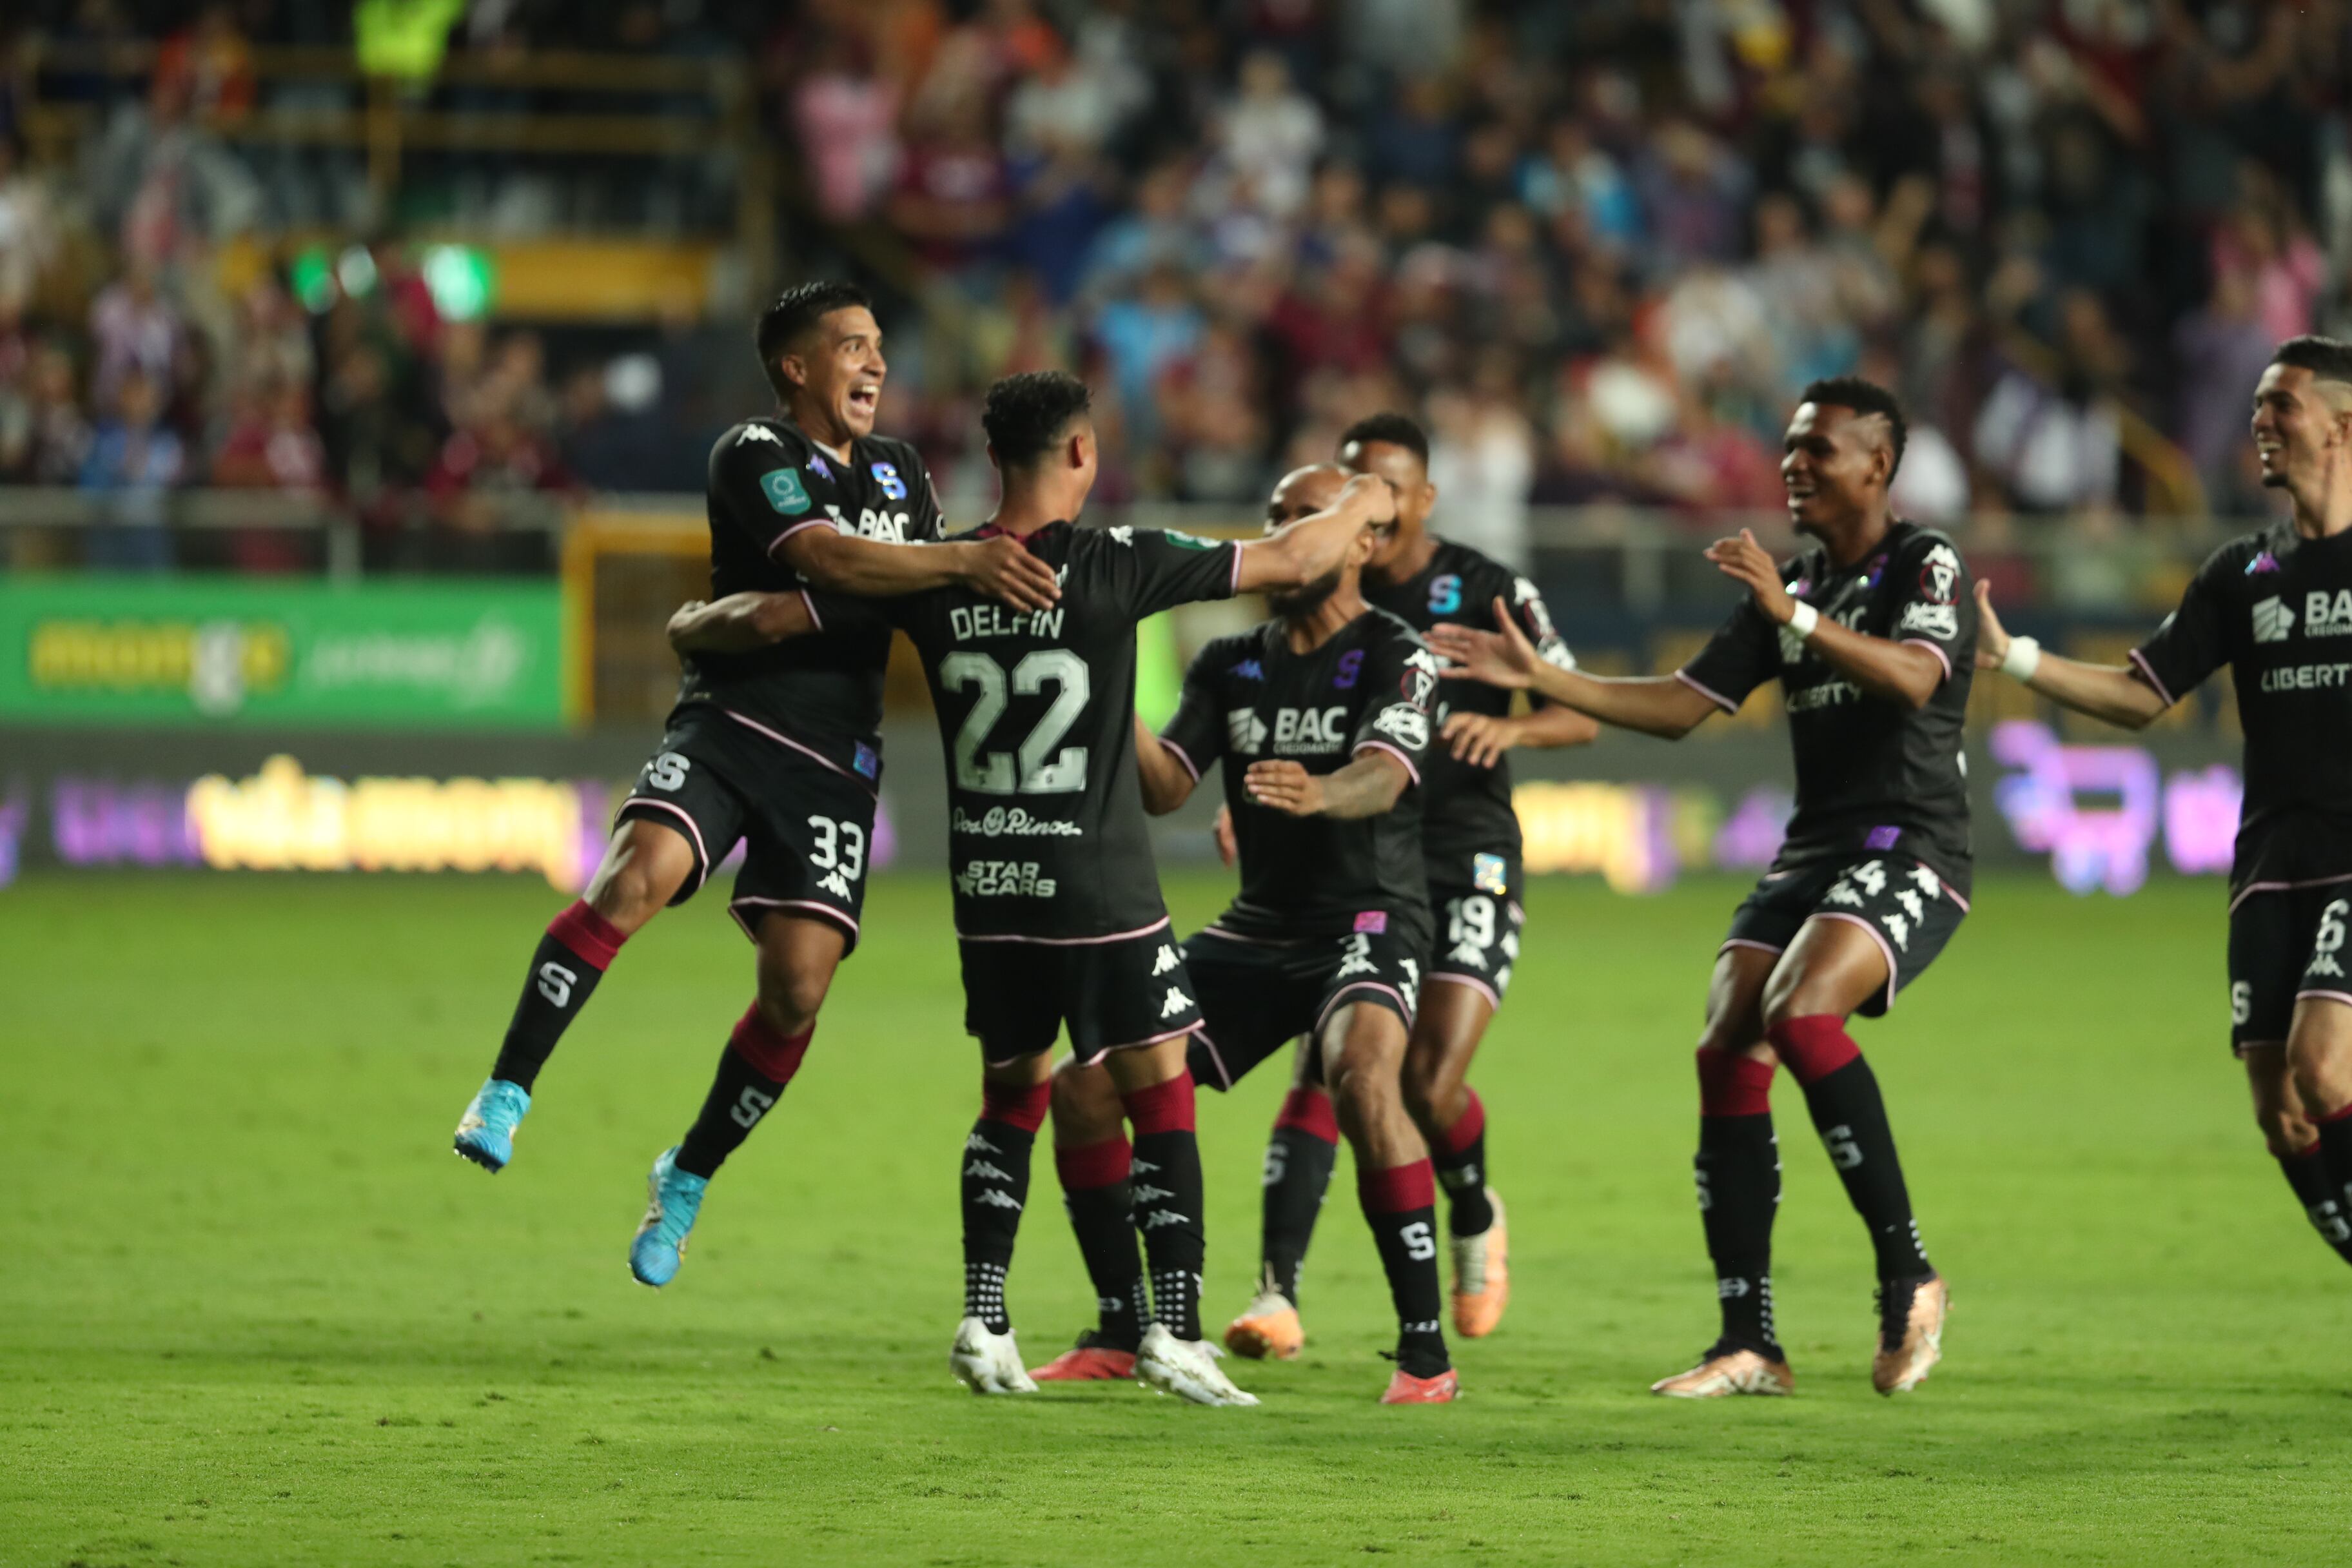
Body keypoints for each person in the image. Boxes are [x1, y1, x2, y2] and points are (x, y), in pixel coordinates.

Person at [667, 371, 1395, 1404]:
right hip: (1097, 889)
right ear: (1084, 455)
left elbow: (781, 615)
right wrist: (1367, 497)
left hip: (990, 894)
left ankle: (985, 1315)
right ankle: (1175, 1331)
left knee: (1011, 1092)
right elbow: (1295, 554)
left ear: (992, 459)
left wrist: (695, 626)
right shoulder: (1115, 561)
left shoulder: (930, 571)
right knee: (1162, 1086)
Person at [448, 282, 1059, 1296]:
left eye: (878, 348)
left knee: (796, 993)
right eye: (852, 348)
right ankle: (508, 1089)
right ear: (797, 368)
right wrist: (939, 563)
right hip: (731, 725)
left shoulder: (905, 474)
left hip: (836, 766)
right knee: (633, 880)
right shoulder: (755, 455)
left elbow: (912, 599)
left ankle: (685, 1175)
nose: (875, 365)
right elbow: (818, 559)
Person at [1431, 377, 1972, 1398]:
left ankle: (1909, 1274)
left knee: (1803, 1015)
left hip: (1914, 844)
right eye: (1790, 447)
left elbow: (1915, 677)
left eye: (1821, 449)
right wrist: (1547, 679)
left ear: (1879, 466)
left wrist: (1794, 617)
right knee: (1727, 1040)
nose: (1795, 464)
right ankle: (1749, 1342)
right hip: (1817, 848)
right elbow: (1682, 706)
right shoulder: (1793, 584)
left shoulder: (1923, 560)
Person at [1041, 461, 1459, 1404]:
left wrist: (1320, 792)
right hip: (1259, 930)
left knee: (1359, 1071)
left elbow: (1386, 777)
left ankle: (1426, 1355)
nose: (1283, 533)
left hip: (1371, 917)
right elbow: (1166, 787)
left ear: (1361, 539)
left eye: (1303, 516)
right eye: (1274, 519)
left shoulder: (1399, 651)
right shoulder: (1231, 662)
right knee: (1085, 1088)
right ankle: (1119, 1325)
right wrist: (1110, 690)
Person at [1974, 336, 2352, 1279]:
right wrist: (2018, 657)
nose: (2260, 422)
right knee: (2282, 1114)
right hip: (2269, 863)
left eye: (2283, 406)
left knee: (2326, 1063)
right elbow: (2145, 693)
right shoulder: (2239, 573)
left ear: (2344, 425)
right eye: (2259, 404)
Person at [1226, 413, 1596, 1362]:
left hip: (1461, 850)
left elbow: (1577, 710)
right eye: (1352, 491)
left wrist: (1512, 730)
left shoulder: (1485, 589)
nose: (1367, 514)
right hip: (1350, 861)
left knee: (1428, 1082)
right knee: (1329, 1059)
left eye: (1385, 496)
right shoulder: (1307, 595)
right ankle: (1277, 1295)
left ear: (1423, 499)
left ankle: (1472, 1205)